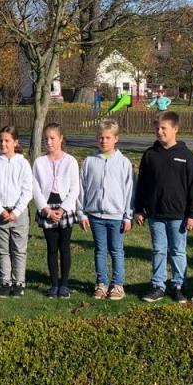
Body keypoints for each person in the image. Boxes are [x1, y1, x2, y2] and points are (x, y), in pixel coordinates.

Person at [134, 110, 193, 303]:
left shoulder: (186, 156)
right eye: (157, 128)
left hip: (179, 215)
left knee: (178, 251)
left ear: (175, 129)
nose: (159, 132)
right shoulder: (150, 155)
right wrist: (139, 209)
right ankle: (158, 286)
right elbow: (142, 184)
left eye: (164, 128)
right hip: (155, 214)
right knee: (158, 250)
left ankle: (179, 285)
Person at [79, 119, 135, 300]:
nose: (104, 141)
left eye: (108, 138)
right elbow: (82, 188)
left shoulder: (124, 163)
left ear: (116, 139)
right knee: (100, 250)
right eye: (101, 137)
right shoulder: (89, 161)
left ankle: (117, 285)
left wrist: (128, 216)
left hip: (117, 216)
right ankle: (101, 284)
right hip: (95, 215)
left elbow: (130, 191)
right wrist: (82, 213)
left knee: (116, 250)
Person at [0, 125, 34, 296]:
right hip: (0, 214)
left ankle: (19, 282)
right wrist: (0, 209)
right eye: (1, 141)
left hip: (18, 214)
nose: (3, 144)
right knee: (3, 250)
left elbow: (28, 190)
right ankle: (5, 282)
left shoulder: (23, 164)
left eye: (7, 140)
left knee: (19, 250)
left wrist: (16, 211)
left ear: (15, 142)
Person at [33, 123, 80, 297]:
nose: (49, 142)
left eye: (52, 138)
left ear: (61, 139)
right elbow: (35, 188)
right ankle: (54, 284)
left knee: (64, 246)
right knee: (52, 247)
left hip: (64, 209)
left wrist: (62, 209)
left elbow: (75, 188)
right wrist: (46, 210)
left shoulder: (70, 161)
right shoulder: (39, 162)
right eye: (46, 139)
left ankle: (64, 284)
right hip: (47, 208)